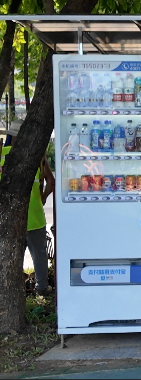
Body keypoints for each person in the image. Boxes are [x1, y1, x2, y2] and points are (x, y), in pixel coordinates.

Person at [0, 120, 55, 296]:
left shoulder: (2, 155)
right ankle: (42, 288)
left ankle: (12, 290)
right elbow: (51, 183)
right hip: (35, 215)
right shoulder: (38, 157)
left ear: (11, 137)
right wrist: (42, 198)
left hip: (9, 216)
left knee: (11, 255)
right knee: (39, 254)